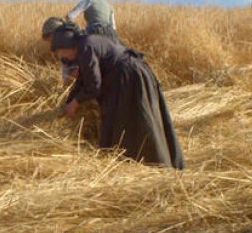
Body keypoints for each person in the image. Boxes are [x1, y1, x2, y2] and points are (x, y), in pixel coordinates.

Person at [49, 26, 184, 168]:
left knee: (135, 123)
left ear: (66, 46)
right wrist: (69, 102)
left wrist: (75, 103)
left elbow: (94, 86)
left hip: (129, 79)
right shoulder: (87, 43)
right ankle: (155, 162)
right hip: (134, 74)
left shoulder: (85, 47)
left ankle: (153, 164)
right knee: (142, 120)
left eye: (60, 52)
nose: (62, 57)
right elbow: (83, 80)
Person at [41, 16, 81, 86]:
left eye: (50, 38)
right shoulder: (63, 44)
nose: (51, 43)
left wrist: (69, 82)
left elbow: (81, 68)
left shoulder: (71, 44)